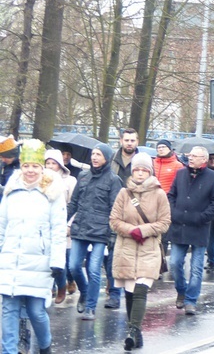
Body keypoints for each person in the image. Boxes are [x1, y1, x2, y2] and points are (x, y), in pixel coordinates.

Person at [0, 139, 66, 354]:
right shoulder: (12, 188)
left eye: (35, 166)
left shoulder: (52, 191)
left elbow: (58, 229)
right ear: (21, 165)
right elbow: (2, 225)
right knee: (8, 310)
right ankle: (8, 351)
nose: (30, 171)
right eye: (26, 165)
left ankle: (45, 347)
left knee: (36, 312)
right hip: (11, 260)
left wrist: (57, 262)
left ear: (41, 167)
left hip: (39, 261)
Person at [110, 153, 171, 351]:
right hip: (126, 249)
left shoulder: (159, 194)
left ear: (149, 171)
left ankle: (132, 330)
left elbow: (165, 222)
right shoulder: (123, 193)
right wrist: (130, 230)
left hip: (149, 249)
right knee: (129, 293)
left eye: (144, 169)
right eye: (136, 169)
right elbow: (114, 220)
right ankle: (137, 334)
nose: (139, 173)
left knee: (140, 290)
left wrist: (144, 230)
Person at [166, 146, 214, 315]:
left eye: (195, 156)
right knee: (175, 263)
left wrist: (202, 217)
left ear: (204, 160)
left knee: (197, 267)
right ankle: (181, 290)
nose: (191, 158)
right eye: (190, 155)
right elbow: (171, 195)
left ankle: (191, 300)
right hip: (179, 225)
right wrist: (173, 211)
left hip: (199, 228)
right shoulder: (181, 173)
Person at [68, 143, 123, 320]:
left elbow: (116, 208)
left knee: (93, 270)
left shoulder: (114, 180)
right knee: (74, 266)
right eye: (93, 154)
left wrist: (112, 233)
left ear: (106, 157)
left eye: (98, 154)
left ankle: (90, 307)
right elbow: (74, 203)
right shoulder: (83, 176)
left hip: (100, 232)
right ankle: (84, 292)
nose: (94, 157)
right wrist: (61, 221)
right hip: (81, 227)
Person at [105, 128, 139, 309]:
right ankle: (114, 294)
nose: (129, 143)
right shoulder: (111, 160)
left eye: (133, 140)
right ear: (121, 141)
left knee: (132, 257)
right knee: (113, 255)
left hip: (135, 214)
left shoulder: (143, 163)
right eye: (127, 140)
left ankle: (131, 294)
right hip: (114, 212)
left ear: (137, 142)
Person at [45, 149, 77, 304]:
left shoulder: (70, 181)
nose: (50, 166)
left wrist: (69, 225)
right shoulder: (39, 179)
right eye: (48, 163)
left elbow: (75, 204)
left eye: (54, 163)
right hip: (45, 223)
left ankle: (63, 285)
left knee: (64, 259)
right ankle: (49, 287)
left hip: (63, 223)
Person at [0, 136, 20, 203]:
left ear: (11, 155)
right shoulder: (4, 165)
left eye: (4, 157)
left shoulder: (23, 165)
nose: (2, 160)